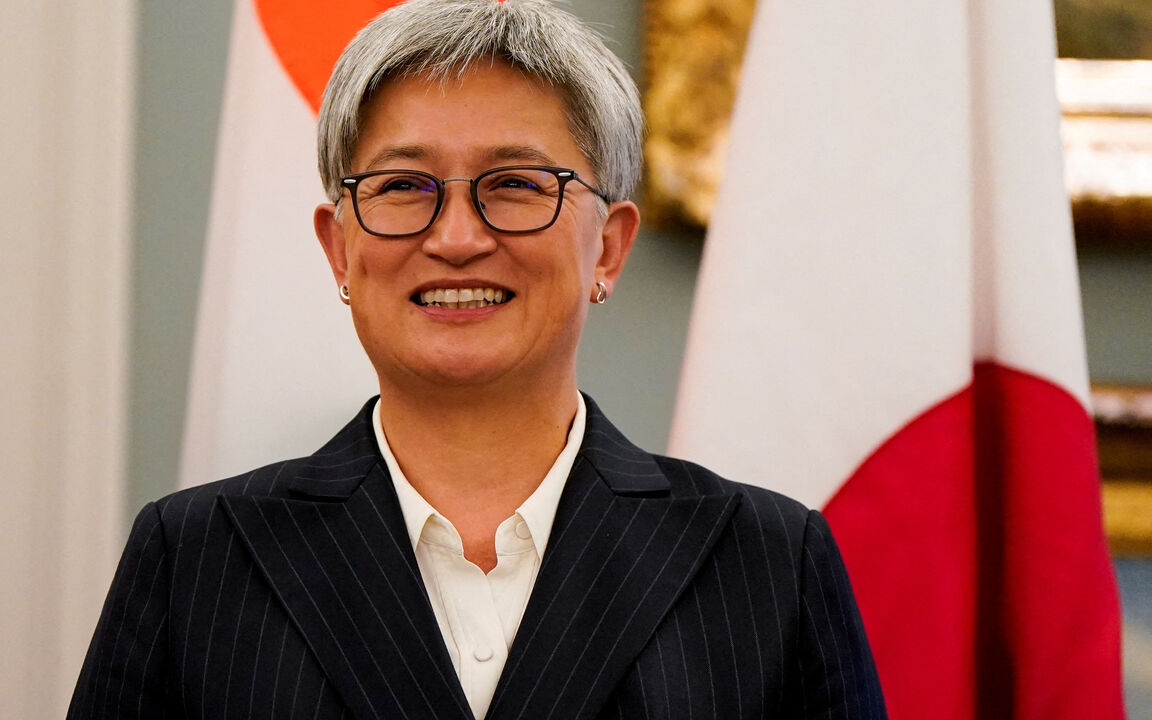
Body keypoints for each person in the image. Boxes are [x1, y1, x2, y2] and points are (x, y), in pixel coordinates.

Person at [69, 0, 887, 717]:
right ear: (338, 251)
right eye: (401, 187)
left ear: (609, 246)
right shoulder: (196, 559)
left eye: (516, 185)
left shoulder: (769, 564)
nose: (457, 238)